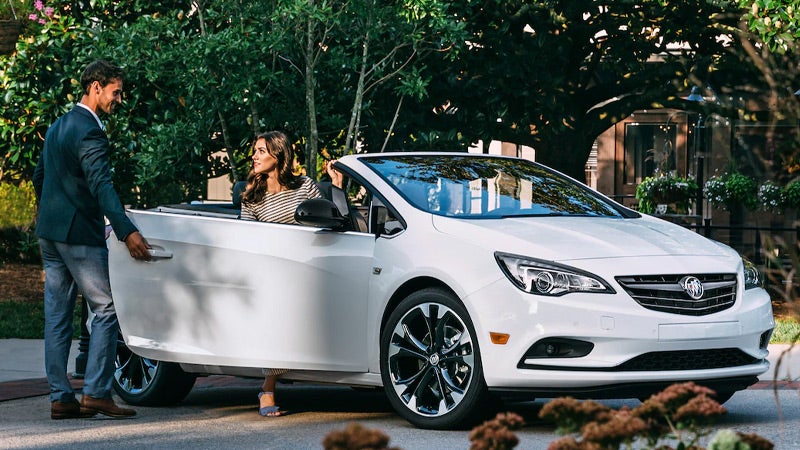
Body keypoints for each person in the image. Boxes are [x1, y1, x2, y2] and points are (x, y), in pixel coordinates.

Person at [33, 60, 152, 420]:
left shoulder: (57, 126)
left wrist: (54, 211)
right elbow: (101, 184)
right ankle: (97, 392)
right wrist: (125, 229)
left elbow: (41, 177)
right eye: (116, 92)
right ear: (96, 87)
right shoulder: (89, 130)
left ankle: (61, 398)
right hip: (78, 235)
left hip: (50, 234)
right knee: (106, 307)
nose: (120, 99)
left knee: (57, 316)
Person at [239, 131, 341, 417]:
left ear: (278, 155)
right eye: (255, 151)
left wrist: (337, 186)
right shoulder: (252, 196)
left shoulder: (305, 186)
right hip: (271, 273)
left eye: (261, 151)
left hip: (309, 269)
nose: (254, 156)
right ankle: (267, 388)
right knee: (279, 312)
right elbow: (244, 240)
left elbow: (330, 220)